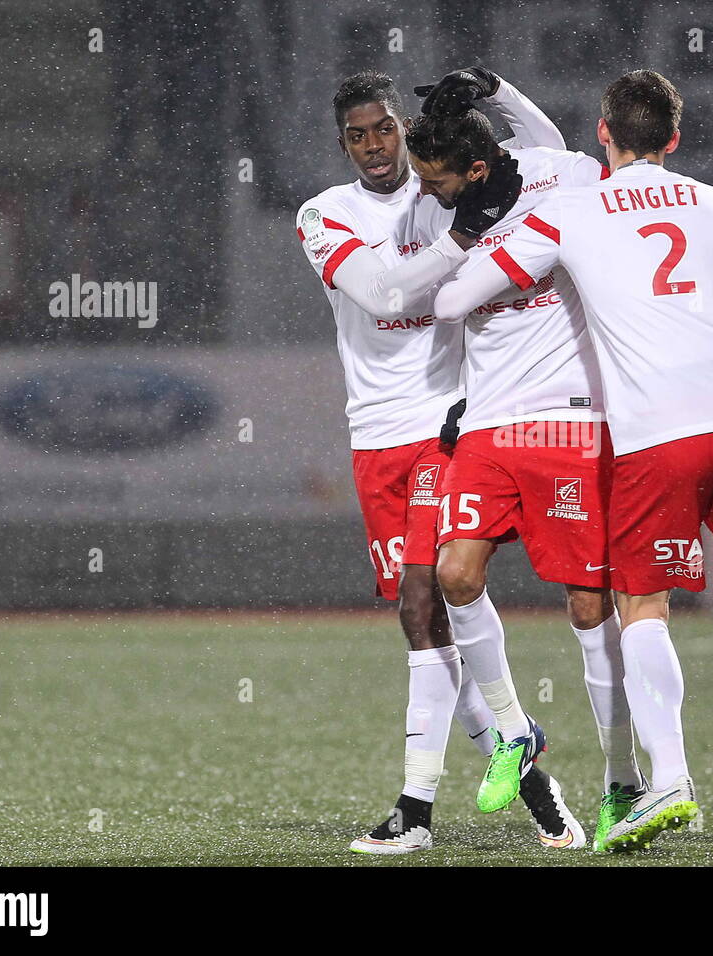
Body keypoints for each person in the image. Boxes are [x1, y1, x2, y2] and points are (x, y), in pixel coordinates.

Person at [431, 70, 713, 854]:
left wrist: (490, 237)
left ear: (602, 134)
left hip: (656, 430)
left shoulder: (571, 211)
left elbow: (449, 301)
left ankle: (667, 781)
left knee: (642, 606)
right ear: (674, 140)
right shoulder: (712, 203)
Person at [294, 67, 582, 854]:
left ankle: (413, 814)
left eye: (384, 127)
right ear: (343, 143)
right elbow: (387, 296)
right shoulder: (325, 214)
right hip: (375, 436)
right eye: (357, 134)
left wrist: (496, 89)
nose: (374, 146)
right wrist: (463, 235)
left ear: (403, 126)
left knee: (428, 601)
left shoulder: (441, 184)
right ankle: (532, 777)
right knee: (422, 622)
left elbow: (546, 154)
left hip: (448, 420)